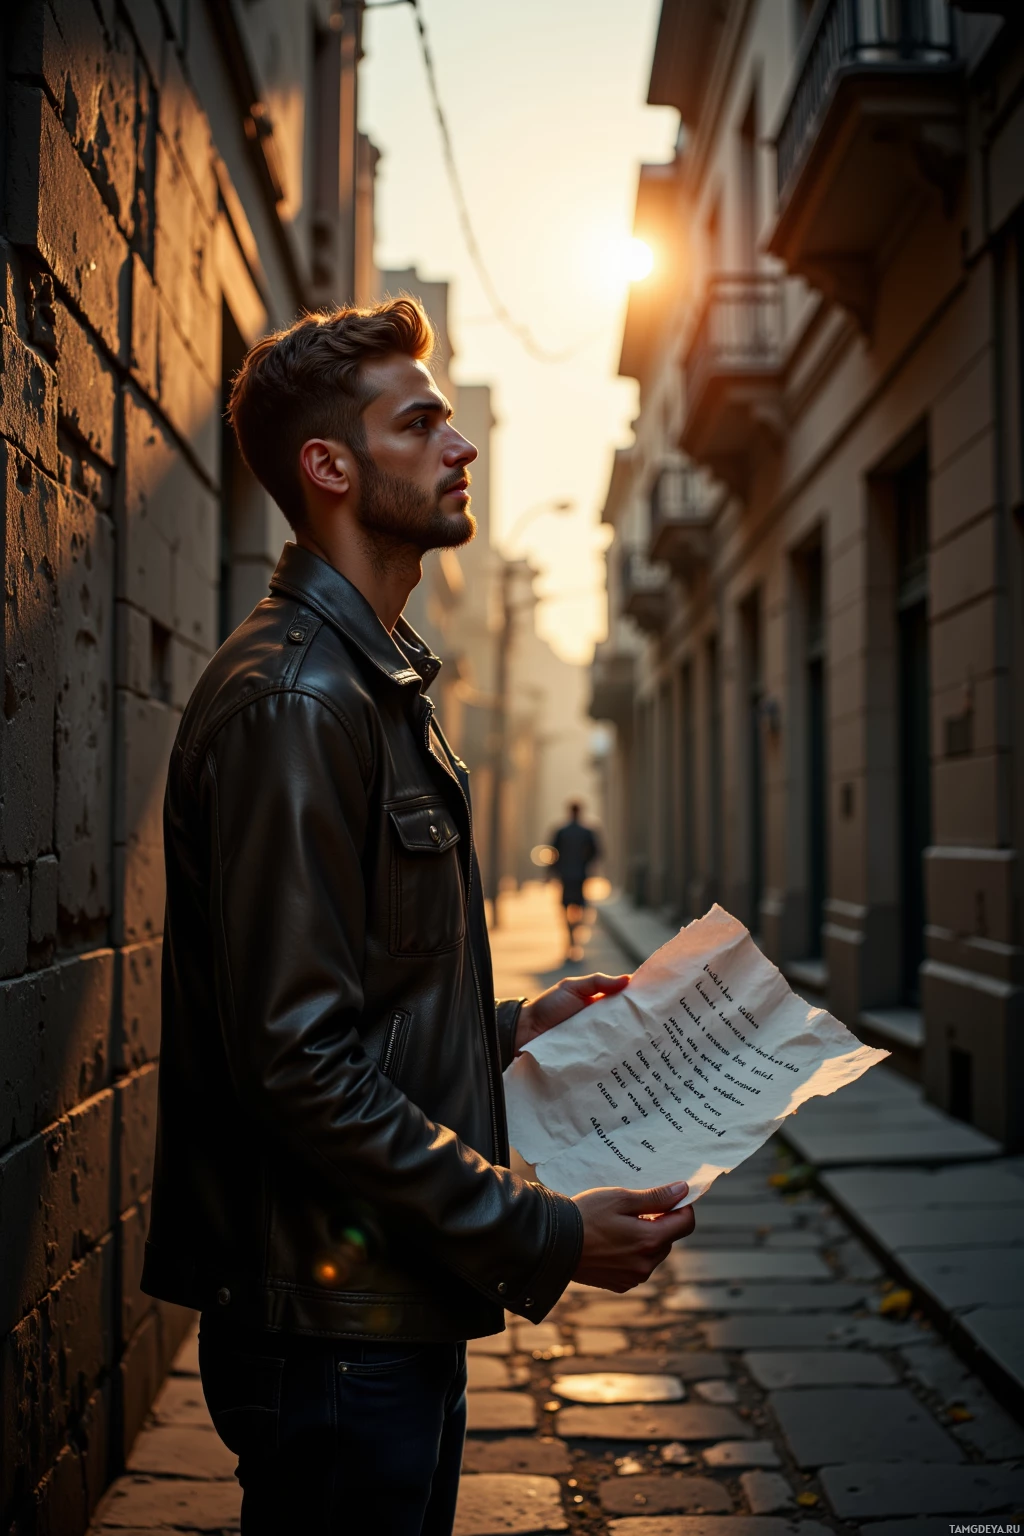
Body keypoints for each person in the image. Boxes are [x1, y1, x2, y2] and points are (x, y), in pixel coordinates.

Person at [141, 298, 695, 1535]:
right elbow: (294, 1065)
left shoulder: (373, 678)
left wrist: (507, 1025)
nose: (463, 447)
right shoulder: (297, 698)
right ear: (330, 467)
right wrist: (542, 1234)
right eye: (424, 422)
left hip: (383, 1306)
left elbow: (350, 1001)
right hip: (331, 1330)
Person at [551, 801, 601, 961]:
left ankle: (571, 938)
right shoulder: (587, 832)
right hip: (580, 875)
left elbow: (553, 853)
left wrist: (555, 870)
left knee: (566, 908)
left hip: (566, 875)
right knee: (579, 907)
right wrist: (586, 864)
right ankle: (575, 938)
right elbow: (596, 852)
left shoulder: (561, 831)